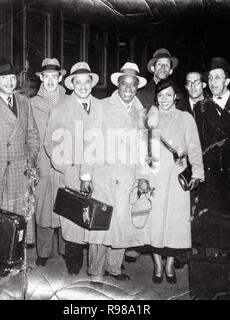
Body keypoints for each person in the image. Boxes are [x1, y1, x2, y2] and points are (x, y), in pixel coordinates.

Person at [80, 62, 149, 282]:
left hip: (128, 177)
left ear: (137, 87)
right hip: (104, 177)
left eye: (133, 84)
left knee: (121, 224)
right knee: (100, 226)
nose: (128, 89)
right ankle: (96, 272)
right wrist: (86, 176)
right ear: (117, 85)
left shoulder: (141, 112)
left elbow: (143, 148)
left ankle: (114, 267)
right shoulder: (101, 106)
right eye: (124, 84)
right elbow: (90, 142)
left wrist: (143, 177)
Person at [44, 62, 103, 275]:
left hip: (98, 172)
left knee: (97, 220)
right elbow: (49, 143)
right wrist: (65, 167)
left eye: (86, 82)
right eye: (78, 82)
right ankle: (73, 265)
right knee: (73, 222)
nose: (82, 86)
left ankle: (97, 267)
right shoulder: (60, 109)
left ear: (91, 84)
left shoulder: (101, 106)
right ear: (71, 85)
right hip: (72, 173)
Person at [143, 79, 204, 284]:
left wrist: (197, 172)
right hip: (155, 176)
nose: (164, 99)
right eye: (160, 95)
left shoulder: (185, 118)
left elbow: (194, 146)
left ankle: (169, 264)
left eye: (169, 95)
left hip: (177, 178)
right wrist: (143, 178)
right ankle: (158, 265)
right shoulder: (150, 117)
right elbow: (142, 150)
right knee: (156, 223)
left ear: (176, 96)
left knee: (175, 225)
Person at [126, 48, 179, 263]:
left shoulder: (176, 92)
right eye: (159, 64)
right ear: (153, 68)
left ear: (171, 69)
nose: (163, 68)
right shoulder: (143, 93)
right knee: (143, 200)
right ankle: (138, 244)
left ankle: (169, 247)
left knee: (166, 205)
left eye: (167, 64)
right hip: (146, 151)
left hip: (167, 155)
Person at [0, 59, 40, 248]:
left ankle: (18, 259)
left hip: (21, 171)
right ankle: (0, 262)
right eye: (4, 78)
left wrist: (31, 160)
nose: (10, 82)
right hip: (0, 173)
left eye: (12, 78)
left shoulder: (24, 102)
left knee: (21, 219)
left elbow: (32, 134)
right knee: (1, 219)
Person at [196, 57, 230, 216]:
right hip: (209, 178)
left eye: (217, 77)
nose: (212, 82)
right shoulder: (201, 107)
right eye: (209, 78)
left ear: (228, 81)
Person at [31, 58, 66, 267]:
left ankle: (65, 248)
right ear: (42, 78)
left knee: (65, 206)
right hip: (42, 162)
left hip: (63, 163)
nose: (51, 81)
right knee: (43, 208)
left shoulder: (69, 100)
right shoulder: (32, 103)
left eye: (54, 77)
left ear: (60, 77)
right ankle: (43, 252)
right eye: (47, 77)